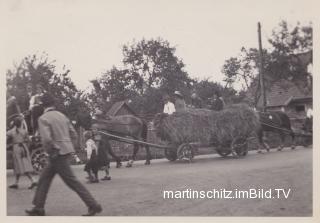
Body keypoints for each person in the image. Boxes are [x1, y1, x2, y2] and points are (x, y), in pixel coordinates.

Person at [25, 93, 102, 216]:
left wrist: (54, 149)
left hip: (55, 154)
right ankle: (38, 207)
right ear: (53, 104)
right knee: (44, 179)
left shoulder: (43, 118)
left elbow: (47, 139)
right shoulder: (63, 116)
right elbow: (74, 135)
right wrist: (69, 146)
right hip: (64, 152)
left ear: (43, 105)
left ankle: (93, 205)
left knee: (72, 181)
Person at [7, 117, 37, 189]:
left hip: (16, 148)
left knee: (18, 165)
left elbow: (5, 139)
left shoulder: (11, 131)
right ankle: (16, 183)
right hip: (24, 148)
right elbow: (29, 141)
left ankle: (33, 180)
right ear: (21, 123)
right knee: (24, 164)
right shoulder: (24, 131)